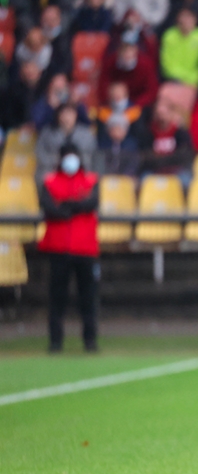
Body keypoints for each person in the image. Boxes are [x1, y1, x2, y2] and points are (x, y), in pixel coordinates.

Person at [38, 144, 100, 354]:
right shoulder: (50, 181)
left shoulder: (90, 180)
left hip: (84, 247)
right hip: (59, 247)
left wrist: (67, 205)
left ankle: (90, 341)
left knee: (88, 298)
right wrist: (73, 206)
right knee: (57, 298)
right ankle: (55, 342)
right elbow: (50, 207)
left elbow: (90, 203)